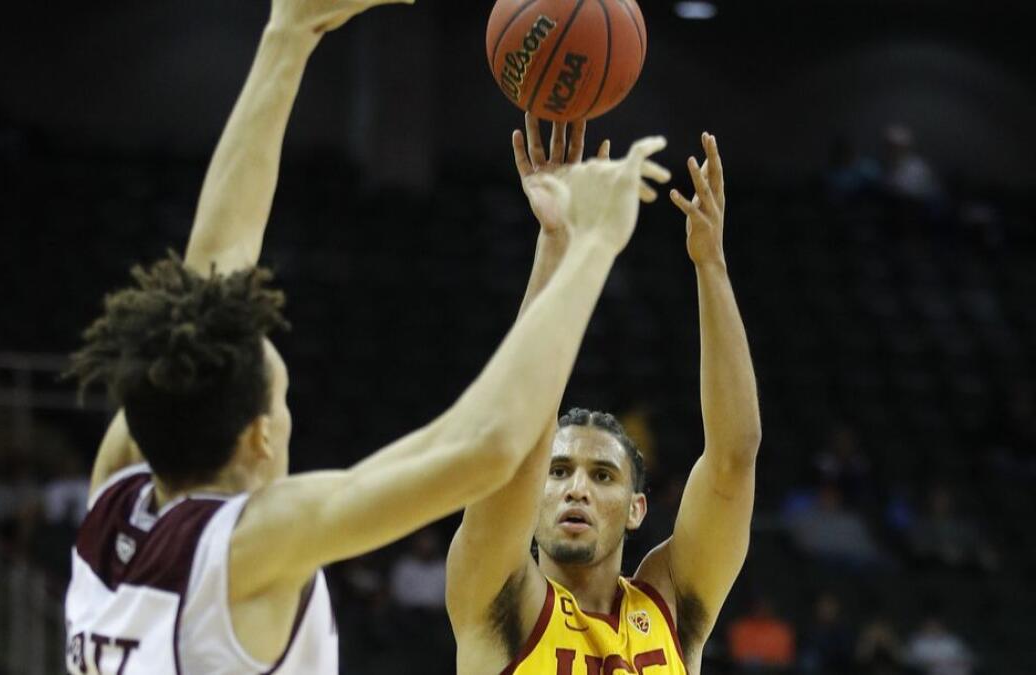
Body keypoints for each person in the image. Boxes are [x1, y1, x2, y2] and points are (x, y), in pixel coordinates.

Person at [61, 4, 672, 674]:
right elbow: (486, 444)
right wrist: (592, 244)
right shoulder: (248, 549)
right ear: (258, 436)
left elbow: (214, 269)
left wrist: (288, 37)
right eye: (281, 396)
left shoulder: (118, 493)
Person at [446, 120, 760, 674]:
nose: (577, 489)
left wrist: (711, 264)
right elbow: (511, 436)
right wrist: (555, 242)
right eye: (559, 470)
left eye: (603, 476)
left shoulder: (670, 608)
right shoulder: (499, 601)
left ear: (638, 508)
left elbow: (734, 456)